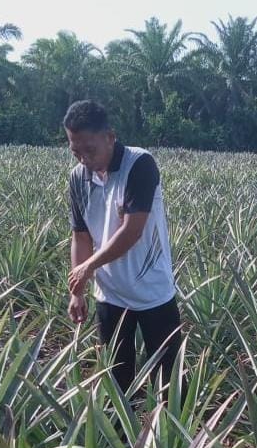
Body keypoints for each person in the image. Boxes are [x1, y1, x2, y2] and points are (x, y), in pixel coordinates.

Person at [64, 99, 183, 397]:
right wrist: (76, 291)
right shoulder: (78, 178)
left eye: (89, 150)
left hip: (153, 292)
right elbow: (80, 236)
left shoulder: (139, 164)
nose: (83, 159)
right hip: (110, 296)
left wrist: (89, 267)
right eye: (75, 151)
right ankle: (121, 438)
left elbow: (132, 230)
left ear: (110, 137)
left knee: (167, 381)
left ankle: (170, 440)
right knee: (117, 379)